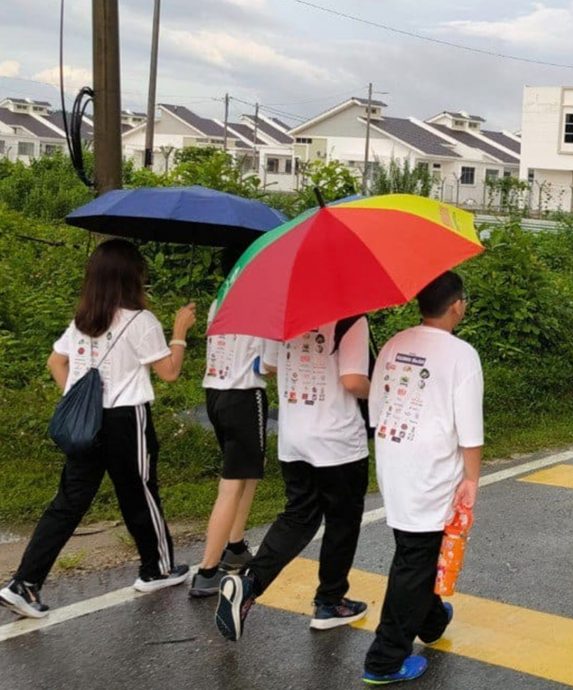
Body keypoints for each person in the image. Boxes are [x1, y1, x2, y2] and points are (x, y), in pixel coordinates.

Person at [0, 240, 196, 619]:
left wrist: (78, 401)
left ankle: (24, 582)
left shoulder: (84, 320)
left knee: (68, 502)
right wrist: (180, 330)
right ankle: (157, 568)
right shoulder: (142, 321)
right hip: (126, 419)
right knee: (140, 493)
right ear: (132, 276)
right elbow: (170, 373)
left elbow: (55, 362)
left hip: (86, 425)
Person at [215, 315, 372, 640]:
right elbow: (353, 381)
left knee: (298, 517)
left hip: (294, 437)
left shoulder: (283, 314)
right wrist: (382, 393)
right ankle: (330, 602)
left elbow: (269, 366)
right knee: (342, 521)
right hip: (336, 440)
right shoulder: (351, 319)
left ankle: (249, 583)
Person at [362, 272, 484, 685]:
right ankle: (384, 660)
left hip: (394, 462)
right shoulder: (461, 354)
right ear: (456, 306)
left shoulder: (395, 343)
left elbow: (376, 412)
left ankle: (431, 621)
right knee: (414, 561)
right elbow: (470, 429)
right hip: (431, 471)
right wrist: (471, 479)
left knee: (415, 547)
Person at [188, 246, 270, 598]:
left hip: (216, 394)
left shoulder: (219, 302)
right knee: (233, 482)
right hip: (244, 395)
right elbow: (268, 363)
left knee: (249, 472)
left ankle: (235, 546)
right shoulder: (260, 306)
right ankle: (207, 570)